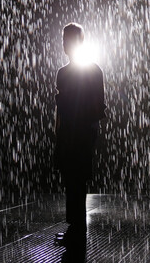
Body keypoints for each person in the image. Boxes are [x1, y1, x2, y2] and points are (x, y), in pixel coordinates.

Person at [54, 23, 106, 249]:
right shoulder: (88, 71)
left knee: (75, 180)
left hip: (78, 133)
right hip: (77, 133)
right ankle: (75, 228)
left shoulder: (71, 73)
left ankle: (76, 229)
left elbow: (94, 107)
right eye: (64, 38)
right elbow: (98, 108)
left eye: (67, 38)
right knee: (74, 180)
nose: (64, 43)